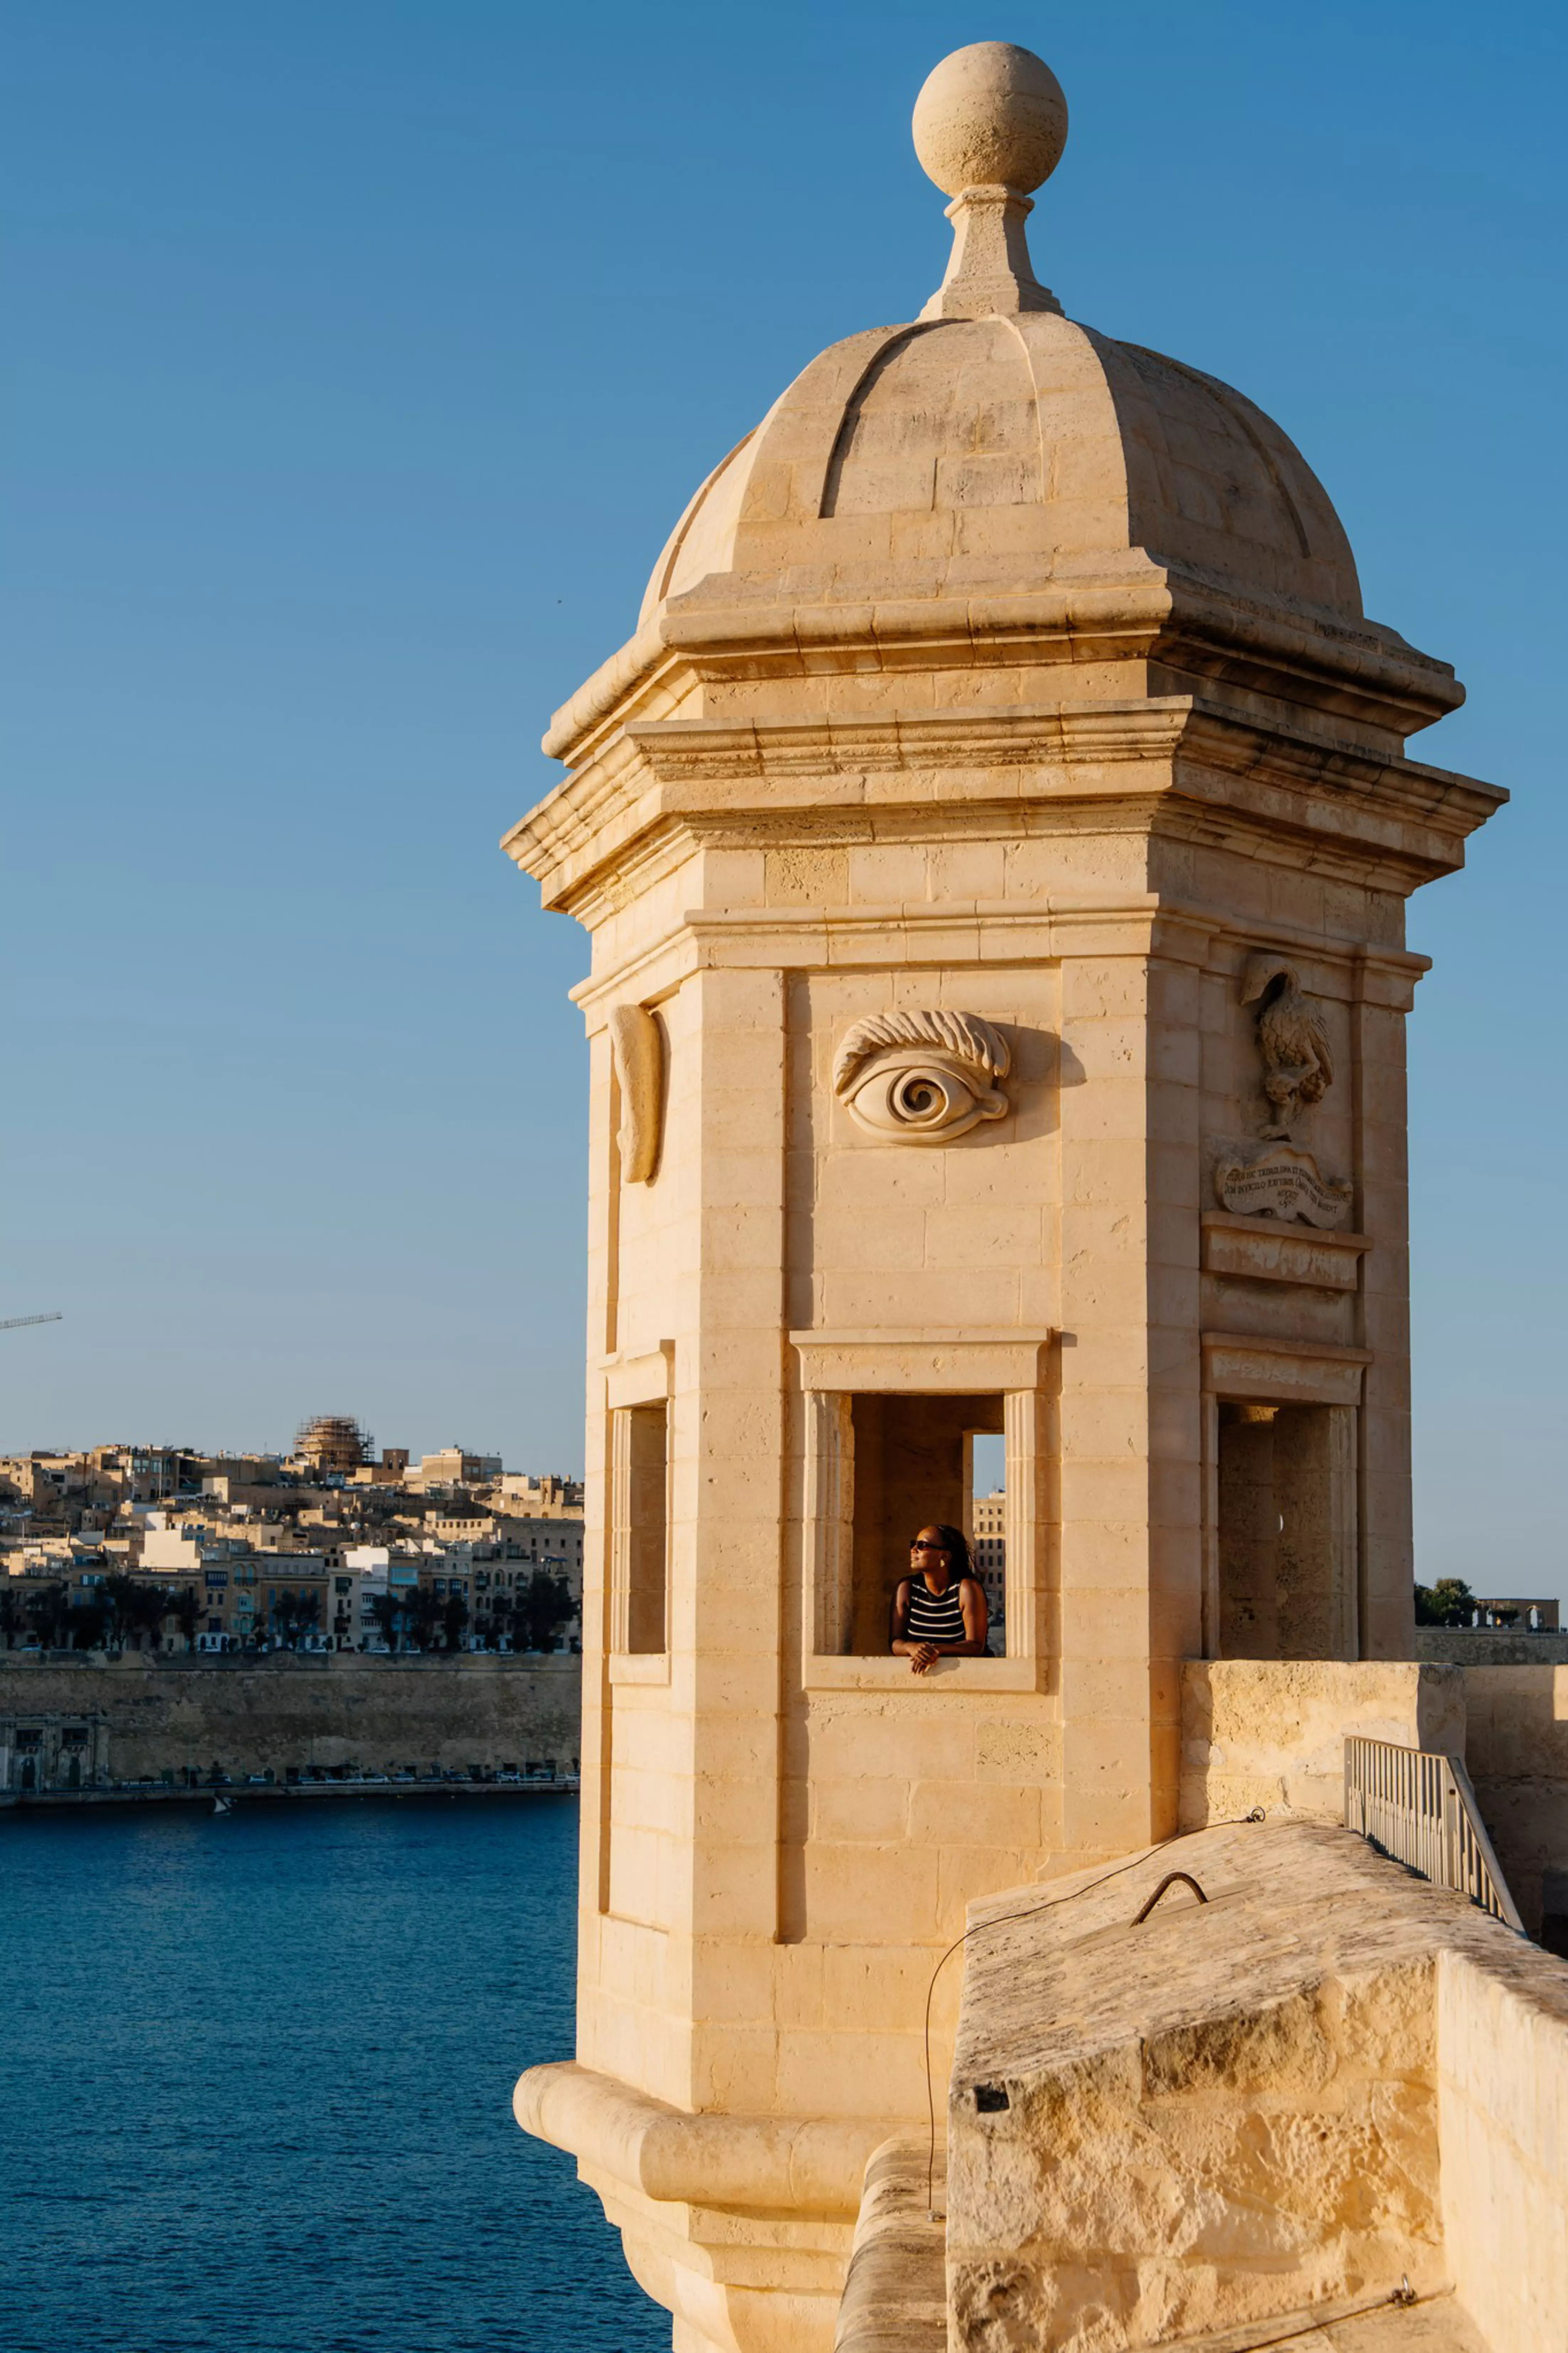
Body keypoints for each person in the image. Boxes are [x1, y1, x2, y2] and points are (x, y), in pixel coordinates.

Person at [890, 1524, 988, 1674]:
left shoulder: (967, 1589)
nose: (914, 1550)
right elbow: (895, 1642)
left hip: (966, 1678)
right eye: (913, 1544)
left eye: (922, 1545)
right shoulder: (907, 1588)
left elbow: (976, 1646)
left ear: (945, 1556)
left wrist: (936, 1650)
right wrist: (911, 1648)